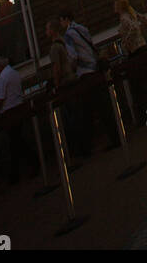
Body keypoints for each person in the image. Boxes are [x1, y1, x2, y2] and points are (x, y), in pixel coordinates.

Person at [59, 11, 119, 148]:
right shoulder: (82, 28)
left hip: (85, 72)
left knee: (87, 110)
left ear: (65, 19)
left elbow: (73, 56)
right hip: (95, 69)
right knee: (103, 106)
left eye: (61, 21)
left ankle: (86, 144)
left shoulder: (68, 35)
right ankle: (115, 135)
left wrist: (71, 69)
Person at [46, 18, 91, 159]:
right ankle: (86, 145)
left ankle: (79, 150)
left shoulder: (55, 47)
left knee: (71, 118)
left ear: (52, 31)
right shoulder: (65, 42)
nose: (46, 32)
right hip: (73, 78)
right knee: (79, 113)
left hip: (65, 82)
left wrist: (56, 83)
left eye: (47, 30)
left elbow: (56, 67)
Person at [0, 55, 37, 184]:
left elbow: (1, 98)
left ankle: (21, 170)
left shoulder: (3, 77)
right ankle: (21, 170)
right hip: (19, 108)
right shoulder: (14, 73)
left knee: (15, 141)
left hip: (10, 112)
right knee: (16, 141)